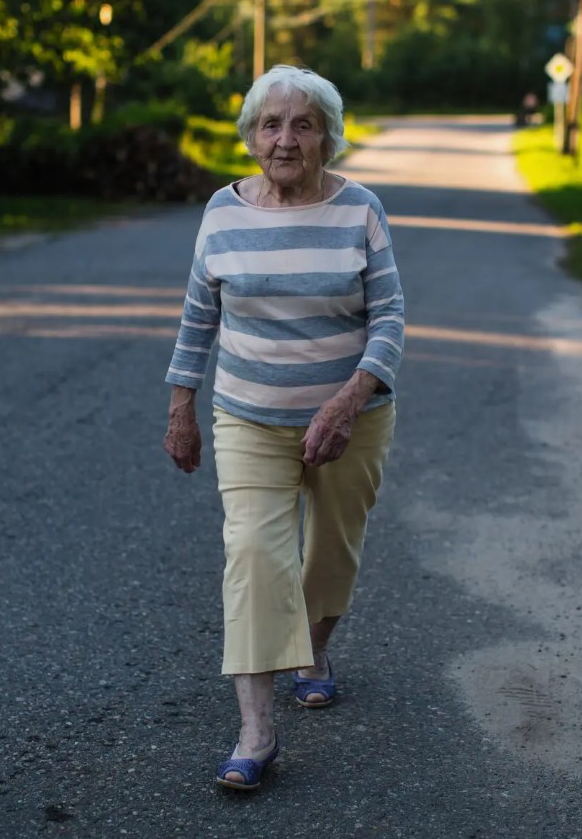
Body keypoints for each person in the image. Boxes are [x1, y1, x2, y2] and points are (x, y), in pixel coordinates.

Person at [163, 65, 404, 790]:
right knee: (253, 556)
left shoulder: (360, 208)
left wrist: (350, 396)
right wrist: (180, 404)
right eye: (271, 124)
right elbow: (198, 314)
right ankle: (256, 729)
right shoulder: (222, 210)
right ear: (250, 135)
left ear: (328, 135)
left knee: (332, 551)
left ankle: (314, 652)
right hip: (248, 414)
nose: (286, 138)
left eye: (303, 124)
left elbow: (390, 316)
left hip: (352, 417)